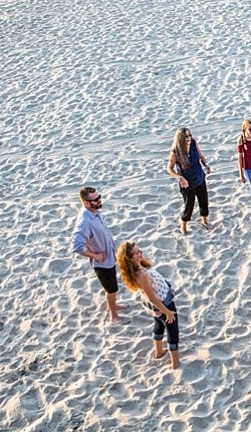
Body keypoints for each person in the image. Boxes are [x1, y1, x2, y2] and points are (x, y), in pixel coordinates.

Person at [116, 241, 181, 370]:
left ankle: (158, 351)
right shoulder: (143, 275)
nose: (141, 253)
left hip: (155, 307)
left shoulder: (137, 270)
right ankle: (175, 362)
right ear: (129, 259)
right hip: (163, 304)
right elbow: (152, 298)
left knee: (159, 325)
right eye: (137, 253)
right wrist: (167, 312)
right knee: (172, 330)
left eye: (140, 250)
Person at [72, 186, 122, 322]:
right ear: (86, 203)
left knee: (111, 287)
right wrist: (95, 256)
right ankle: (113, 315)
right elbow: (76, 246)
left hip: (109, 257)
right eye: (96, 199)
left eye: (99, 197)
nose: (100, 201)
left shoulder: (95, 212)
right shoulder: (85, 221)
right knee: (111, 289)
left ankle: (113, 305)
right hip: (102, 262)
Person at [167, 127, 211, 234]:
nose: (189, 138)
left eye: (190, 135)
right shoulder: (175, 151)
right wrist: (179, 177)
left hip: (200, 178)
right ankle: (184, 225)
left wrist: (206, 164)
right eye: (186, 136)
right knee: (189, 205)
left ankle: (204, 221)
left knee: (204, 201)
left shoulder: (194, 143)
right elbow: (169, 168)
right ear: (180, 138)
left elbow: (200, 155)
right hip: (187, 183)